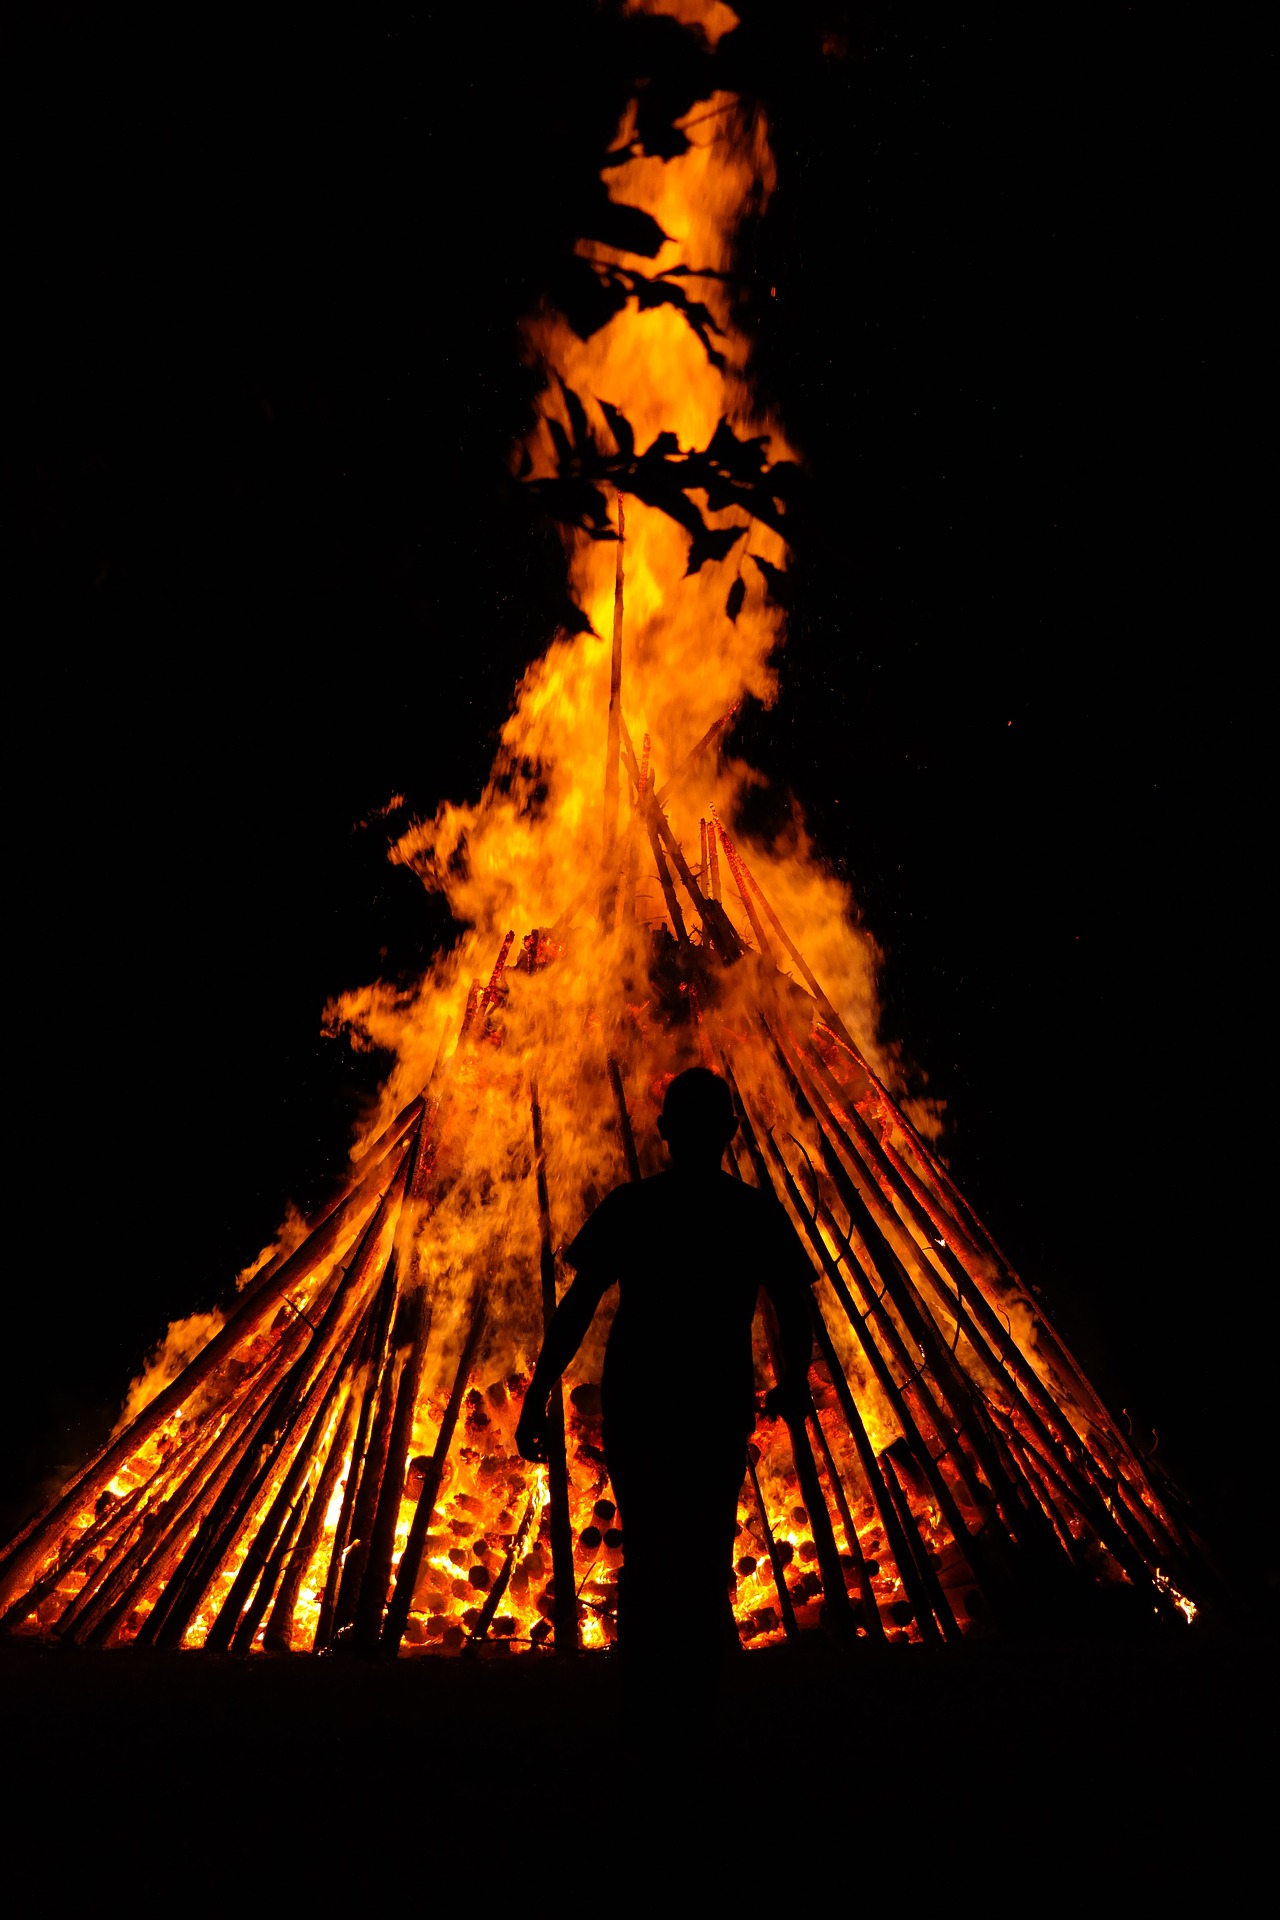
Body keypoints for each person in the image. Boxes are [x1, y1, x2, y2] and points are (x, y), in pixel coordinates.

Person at [515, 1066, 814, 1669]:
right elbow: (795, 1301)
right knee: (704, 1545)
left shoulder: (636, 1207)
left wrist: (539, 1393)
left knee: (652, 1547)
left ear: (664, 1131)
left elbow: (577, 1307)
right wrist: (793, 1379)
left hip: (645, 1398)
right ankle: (702, 1686)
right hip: (712, 1397)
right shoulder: (750, 1211)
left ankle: (655, 1686)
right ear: (729, 1130)